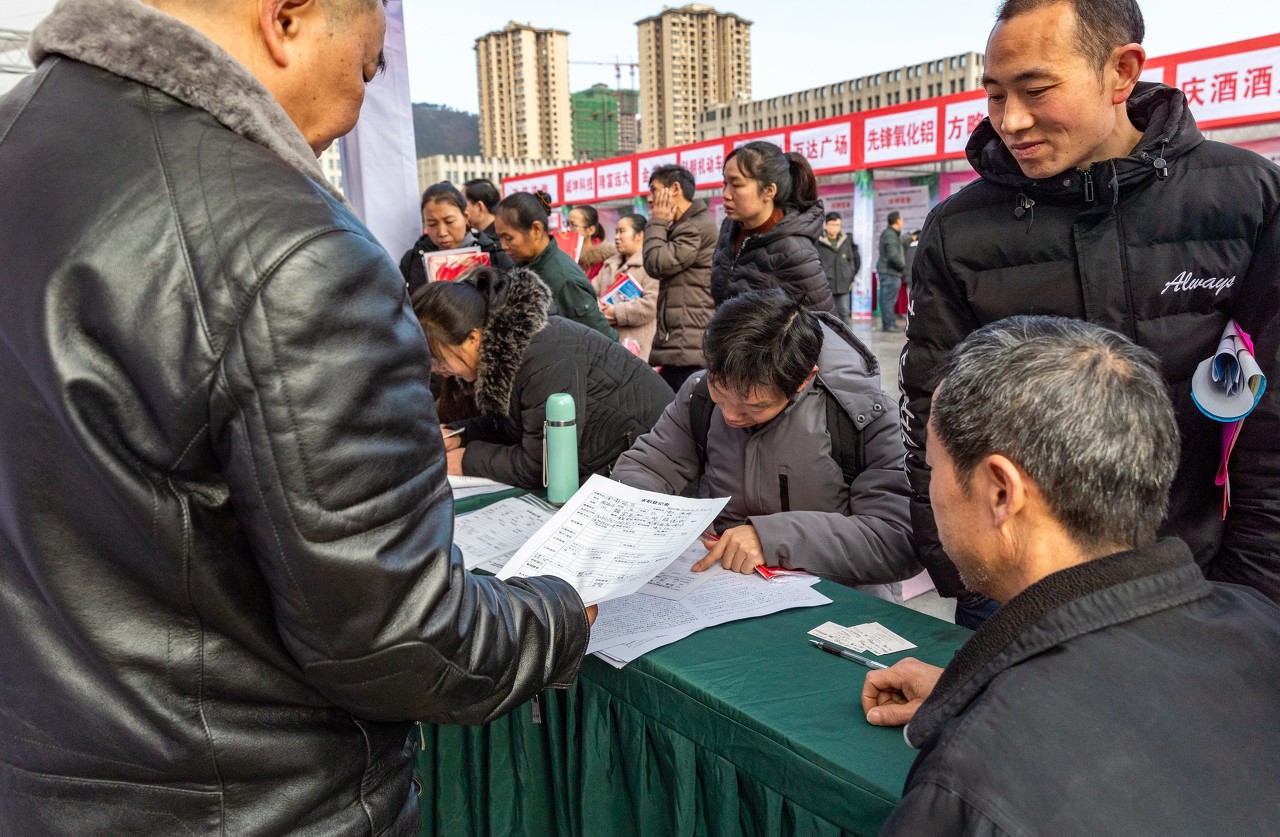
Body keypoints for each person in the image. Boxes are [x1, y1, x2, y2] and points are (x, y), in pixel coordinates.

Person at [0, 0, 594, 834]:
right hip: (248, 799)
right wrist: (559, 613)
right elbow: (399, 639)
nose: (355, 104)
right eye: (366, 66)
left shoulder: (18, 140)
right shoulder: (288, 246)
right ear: (286, 18)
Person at [901, 0, 1280, 630]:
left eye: (1036, 89)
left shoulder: (1244, 200)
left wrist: (1255, 583)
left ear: (1122, 71)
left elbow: (1270, 420)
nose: (1011, 121)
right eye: (995, 95)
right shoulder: (959, 230)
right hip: (1019, 589)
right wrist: (965, 572)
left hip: (1204, 579)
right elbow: (931, 407)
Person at [864, 316, 1280, 836]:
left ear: (1000, 492)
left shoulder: (974, 782)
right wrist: (977, 687)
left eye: (933, 467)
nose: (932, 494)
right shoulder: (1260, 623)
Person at [612, 291, 918, 599]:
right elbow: (646, 466)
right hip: (727, 592)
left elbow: (896, 538)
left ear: (803, 380)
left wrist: (771, 539)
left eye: (753, 407)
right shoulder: (699, 396)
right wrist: (639, 513)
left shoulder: (862, 417)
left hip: (840, 602)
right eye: (721, 393)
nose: (730, 415)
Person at [416, 267, 674, 489]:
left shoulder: (539, 357)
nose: (438, 370)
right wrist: (460, 433)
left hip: (648, 466)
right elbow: (517, 423)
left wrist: (465, 460)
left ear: (472, 339)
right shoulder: (510, 350)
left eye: (439, 358)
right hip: (612, 462)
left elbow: (544, 466)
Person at [710, 141, 834, 313]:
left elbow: (826, 328)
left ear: (769, 191)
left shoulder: (795, 252)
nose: (726, 194)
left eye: (736, 185)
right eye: (725, 184)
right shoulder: (729, 228)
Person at [493, 191, 617, 339]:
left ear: (536, 230)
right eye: (499, 237)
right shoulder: (525, 266)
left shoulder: (564, 280)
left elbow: (605, 340)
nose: (503, 245)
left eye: (508, 238)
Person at [643, 163, 719, 393]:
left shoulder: (693, 228)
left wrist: (657, 221)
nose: (650, 199)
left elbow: (656, 262)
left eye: (654, 190)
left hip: (688, 347)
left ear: (674, 188)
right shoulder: (687, 224)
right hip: (683, 343)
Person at [399, 181, 512, 293]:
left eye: (449, 221)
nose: (442, 232)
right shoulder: (413, 260)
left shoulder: (495, 255)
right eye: (432, 224)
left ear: (466, 216)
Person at [592, 214, 661, 360]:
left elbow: (651, 305)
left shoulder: (649, 266)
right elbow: (592, 291)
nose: (617, 237)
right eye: (616, 232)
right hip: (608, 344)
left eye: (622, 231)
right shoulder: (608, 264)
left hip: (638, 348)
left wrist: (616, 312)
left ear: (640, 235)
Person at [817, 212, 861, 321]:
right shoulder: (818, 242)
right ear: (825, 225)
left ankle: (845, 337)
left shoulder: (845, 240)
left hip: (844, 284)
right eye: (832, 225)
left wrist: (850, 275)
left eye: (838, 225)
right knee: (827, 314)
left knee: (844, 312)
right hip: (826, 285)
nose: (835, 228)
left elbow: (851, 260)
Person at [875, 211, 905, 332]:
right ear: (897, 221)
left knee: (889, 300)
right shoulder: (890, 235)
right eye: (901, 219)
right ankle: (889, 325)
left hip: (890, 271)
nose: (902, 222)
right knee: (888, 300)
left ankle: (890, 323)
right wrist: (903, 266)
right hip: (889, 271)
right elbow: (893, 256)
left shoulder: (891, 234)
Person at [569, 204, 616, 281]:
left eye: (573, 225)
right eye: (567, 224)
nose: (568, 229)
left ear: (590, 230)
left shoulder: (606, 260)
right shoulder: (565, 256)